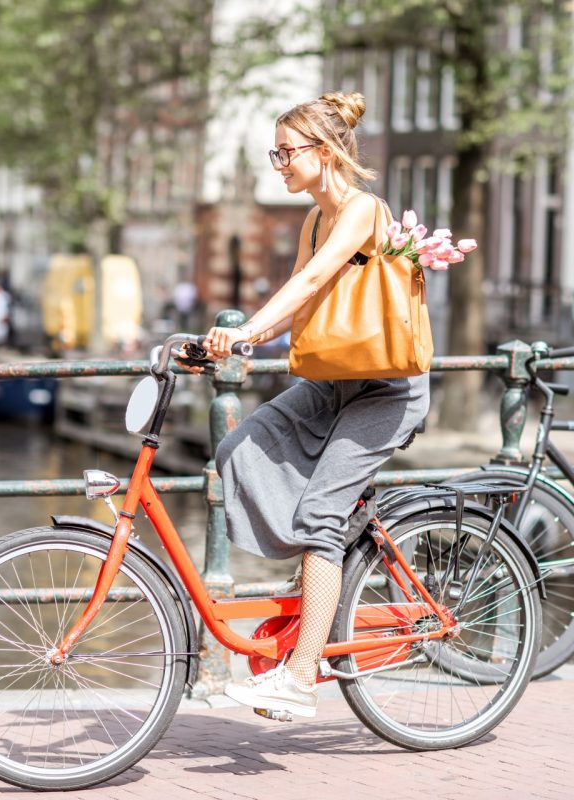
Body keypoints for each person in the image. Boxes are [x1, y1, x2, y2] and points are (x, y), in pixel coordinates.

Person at [202, 91, 430, 719]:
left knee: (321, 518)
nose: (278, 164)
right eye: (273, 153)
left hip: (385, 390)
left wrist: (245, 331)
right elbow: (298, 301)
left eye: (285, 152)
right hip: (334, 380)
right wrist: (222, 343)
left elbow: (310, 281)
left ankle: (301, 672)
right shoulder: (312, 218)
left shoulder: (361, 211)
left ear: (324, 153)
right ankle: (315, 567)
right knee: (239, 447)